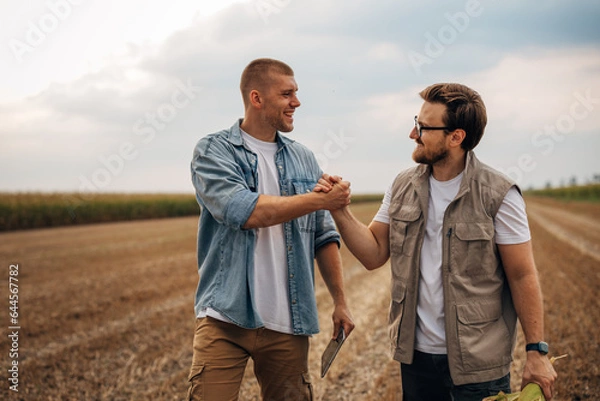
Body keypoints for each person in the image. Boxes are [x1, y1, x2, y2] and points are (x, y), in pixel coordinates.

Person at [316, 83, 557, 400]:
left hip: (478, 365)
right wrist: (340, 210)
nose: (412, 134)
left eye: (423, 127)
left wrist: (536, 351)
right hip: (416, 360)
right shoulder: (402, 185)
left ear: (456, 137)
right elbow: (374, 253)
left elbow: (522, 274)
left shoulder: (499, 194)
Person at [187, 58, 355, 401]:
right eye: (287, 94)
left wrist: (341, 301)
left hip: (288, 323)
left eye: (296, 93)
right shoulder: (213, 150)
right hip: (224, 318)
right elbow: (243, 210)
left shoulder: (304, 158)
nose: (297, 102)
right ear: (256, 98)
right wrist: (319, 200)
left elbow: (323, 236)